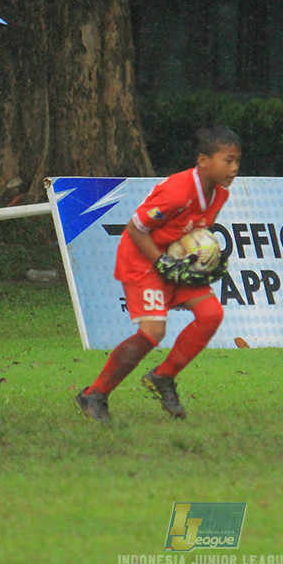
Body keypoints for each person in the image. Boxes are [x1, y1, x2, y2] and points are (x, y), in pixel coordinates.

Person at [75, 126, 241, 423]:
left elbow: (196, 231)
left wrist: (204, 259)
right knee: (153, 332)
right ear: (203, 161)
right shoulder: (177, 191)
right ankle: (94, 394)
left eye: (236, 161)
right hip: (142, 259)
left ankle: (163, 377)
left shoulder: (219, 195)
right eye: (228, 160)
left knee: (211, 314)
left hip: (171, 261)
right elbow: (135, 228)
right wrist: (163, 263)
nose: (234, 168)